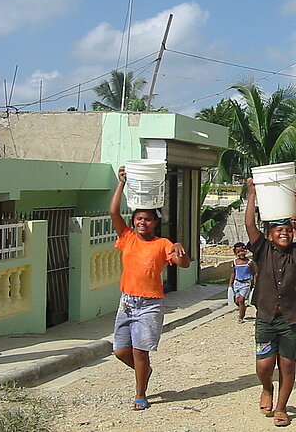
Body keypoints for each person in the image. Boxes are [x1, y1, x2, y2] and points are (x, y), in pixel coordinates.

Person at [109, 165, 191, 411]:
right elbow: (113, 212)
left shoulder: (163, 243)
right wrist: (121, 183)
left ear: (155, 222)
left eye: (147, 219)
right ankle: (144, 372)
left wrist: (179, 249)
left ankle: (141, 393)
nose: (141, 222)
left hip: (150, 304)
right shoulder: (127, 237)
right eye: (138, 218)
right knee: (121, 350)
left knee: (140, 351)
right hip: (127, 302)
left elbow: (183, 264)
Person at [245, 177, 296, 427]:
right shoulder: (262, 251)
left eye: (287, 230)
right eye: (278, 230)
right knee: (264, 365)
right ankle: (266, 388)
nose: (284, 233)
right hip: (265, 318)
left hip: (291, 320)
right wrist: (252, 193)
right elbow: (249, 224)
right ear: (270, 235)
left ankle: (282, 408)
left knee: (287, 366)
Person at [229, 242, 256, 323]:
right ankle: (243, 308)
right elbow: (233, 273)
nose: (241, 253)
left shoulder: (249, 262)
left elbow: (255, 273)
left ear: (246, 251)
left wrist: (255, 284)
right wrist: (230, 283)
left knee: (241, 300)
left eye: (243, 251)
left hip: (246, 284)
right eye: (238, 252)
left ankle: (241, 317)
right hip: (237, 283)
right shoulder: (235, 262)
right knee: (237, 301)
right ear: (235, 253)